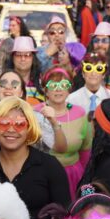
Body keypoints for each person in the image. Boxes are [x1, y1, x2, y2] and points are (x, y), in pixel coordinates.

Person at [35, 66, 92, 198]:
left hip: (73, 175)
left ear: (69, 89)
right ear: (45, 90)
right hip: (43, 175)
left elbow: (86, 150)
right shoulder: (35, 113)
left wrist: (83, 176)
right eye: (53, 85)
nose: (59, 89)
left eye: (63, 84)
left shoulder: (80, 113)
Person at [67, 52, 110, 118]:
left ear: (103, 75)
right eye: (88, 68)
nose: (93, 73)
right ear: (83, 74)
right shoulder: (71, 99)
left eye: (99, 69)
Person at [5, 37, 44, 105]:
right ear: (12, 58)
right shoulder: (2, 82)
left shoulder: (43, 82)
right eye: (18, 55)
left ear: (33, 58)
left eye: (27, 55)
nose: (23, 59)